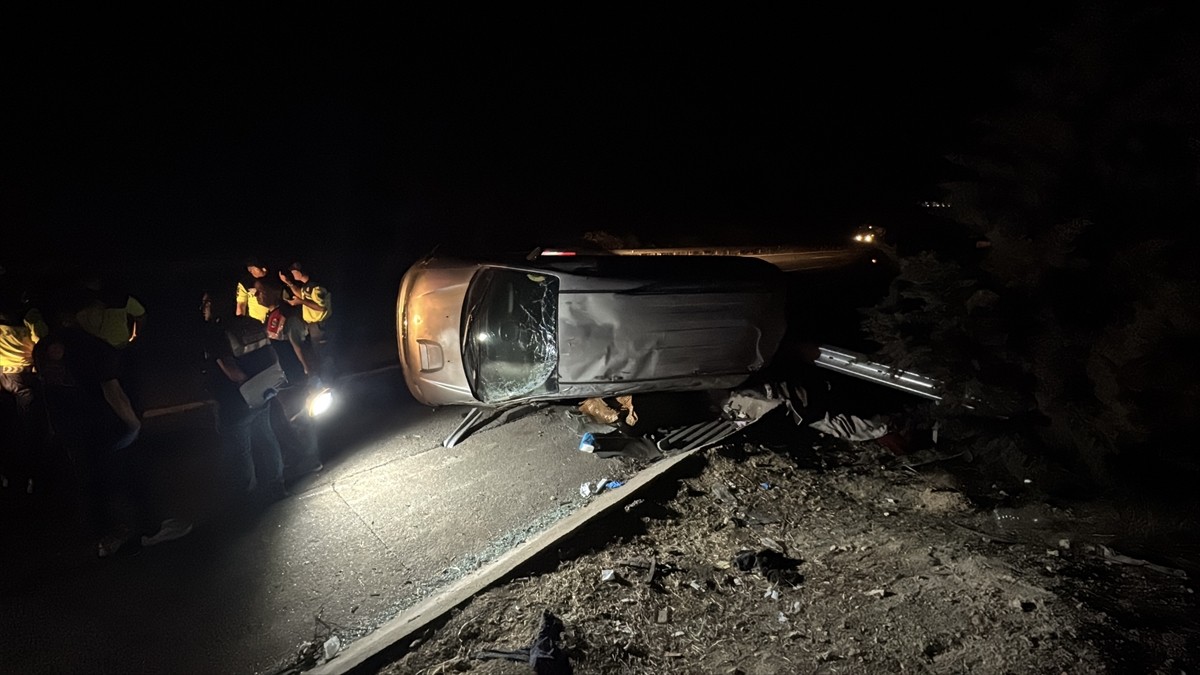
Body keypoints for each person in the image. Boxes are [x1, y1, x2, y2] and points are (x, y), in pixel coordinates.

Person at [35, 293, 191, 557]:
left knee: (91, 481)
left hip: (71, 429)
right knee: (132, 475)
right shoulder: (92, 346)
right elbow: (112, 390)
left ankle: (106, 535)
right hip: (105, 426)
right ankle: (149, 530)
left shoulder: (42, 349)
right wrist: (133, 424)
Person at [201, 291, 290, 507]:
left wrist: (248, 389)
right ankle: (277, 485)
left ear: (214, 306)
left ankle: (247, 496)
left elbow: (231, 371)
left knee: (241, 449)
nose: (203, 307)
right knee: (267, 437)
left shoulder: (216, 333)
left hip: (237, 400)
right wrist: (262, 388)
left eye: (206, 302)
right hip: (264, 393)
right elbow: (271, 354)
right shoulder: (252, 323)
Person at [74, 273, 148, 414]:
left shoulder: (120, 300)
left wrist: (135, 335)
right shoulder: (82, 305)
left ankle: (134, 415)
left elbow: (141, 315)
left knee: (127, 383)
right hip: (97, 352)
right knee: (105, 388)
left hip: (119, 348)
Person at [0, 285, 48, 493]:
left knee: (8, 426)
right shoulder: (30, 316)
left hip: (4, 374)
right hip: (24, 375)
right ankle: (33, 476)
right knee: (30, 426)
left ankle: (12, 476)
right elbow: (43, 338)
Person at [279, 262, 334, 381]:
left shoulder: (316, 287)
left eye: (293, 272)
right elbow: (301, 294)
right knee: (319, 353)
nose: (292, 274)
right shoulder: (307, 286)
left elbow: (321, 307)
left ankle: (329, 380)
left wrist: (300, 302)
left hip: (320, 325)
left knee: (324, 354)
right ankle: (325, 378)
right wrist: (289, 283)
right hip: (313, 326)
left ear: (299, 271)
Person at [255, 277, 317, 382]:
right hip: (287, 374)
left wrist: (310, 372)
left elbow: (299, 346)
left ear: (275, 292)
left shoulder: (287, 314)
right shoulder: (269, 316)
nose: (256, 295)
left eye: (260, 291)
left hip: (301, 374)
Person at [235, 257, 272, 323]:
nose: (250, 269)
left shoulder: (275, 279)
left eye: (252, 267)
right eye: (249, 268)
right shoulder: (245, 282)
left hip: (274, 320)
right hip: (255, 323)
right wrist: (240, 322)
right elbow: (241, 304)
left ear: (263, 268)